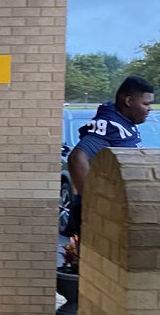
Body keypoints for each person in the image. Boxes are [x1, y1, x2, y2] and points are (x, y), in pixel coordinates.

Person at [66, 74, 155, 237]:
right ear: (128, 101)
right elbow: (76, 158)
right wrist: (95, 203)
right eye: (146, 104)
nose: (150, 108)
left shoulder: (125, 122)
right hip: (97, 217)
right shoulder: (108, 124)